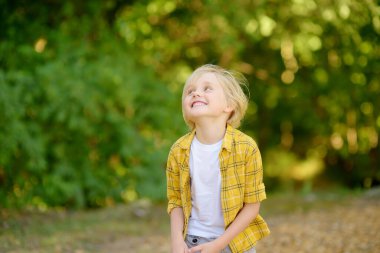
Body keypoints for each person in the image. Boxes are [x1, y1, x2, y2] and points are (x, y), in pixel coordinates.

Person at [166, 64, 270, 253]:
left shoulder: (246, 148)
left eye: (207, 88)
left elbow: (252, 206)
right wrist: (176, 242)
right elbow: (176, 202)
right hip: (192, 241)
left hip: (236, 242)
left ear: (229, 105)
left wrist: (219, 245)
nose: (196, 93)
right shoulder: (178, 151)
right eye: (190, 91)